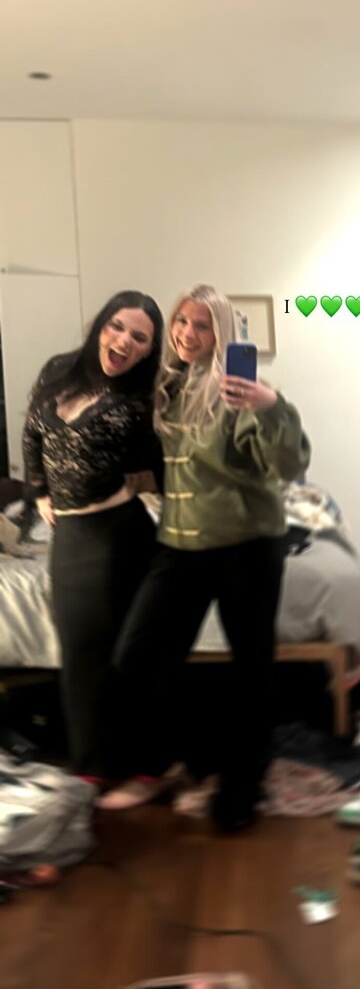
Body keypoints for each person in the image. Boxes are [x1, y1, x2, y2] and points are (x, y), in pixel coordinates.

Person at [98, 284, 311, 829]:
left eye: (202, 325)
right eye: (181, 322)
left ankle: (243, 784)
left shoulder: (240, 389)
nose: (188, 334)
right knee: (138, 655)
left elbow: (285, 468)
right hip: (180, 541)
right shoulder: (167, 386)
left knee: (251, 666)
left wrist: (271, 408)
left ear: (221, 333)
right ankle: (196, 755)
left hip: (247, 544)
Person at [22, 290, 164, 783]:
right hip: (70, 536)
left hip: (118, 536)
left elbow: (162, 469)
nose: (124, 341)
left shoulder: (140, 401)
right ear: (100, 325)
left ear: (148, 351)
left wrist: (143, 487)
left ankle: (139, 764)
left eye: (139, 338)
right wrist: (39, 491)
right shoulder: (58, 369)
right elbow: (32, 433)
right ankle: (92, 769)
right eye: (117, 327)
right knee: (79, 655)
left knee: (118, 655)